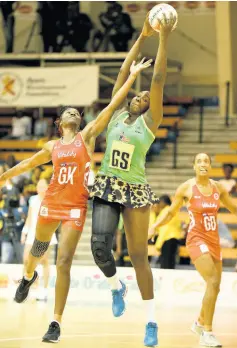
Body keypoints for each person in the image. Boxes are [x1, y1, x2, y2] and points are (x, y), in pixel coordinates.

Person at [0, 58, 151, 343]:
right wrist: (4, 176)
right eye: (67, 111)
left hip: (75, 207)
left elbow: (110, 107)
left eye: (75, 111)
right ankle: (28, 277)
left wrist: (131, 77)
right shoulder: (52, 146)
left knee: (64, 261)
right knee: (37, 249)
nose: (72, 111)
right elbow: (27, 164)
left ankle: (55, 322)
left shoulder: (87, 136)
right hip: (52, 203)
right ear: (59, 123)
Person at [90, 14, 175, 347]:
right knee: (99, 246)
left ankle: (151, 320)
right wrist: (141, 36)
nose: (142, 96)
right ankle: (116, 288)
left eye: (145, 96)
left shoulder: (150, 122)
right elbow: (125, 73)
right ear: (128, 99)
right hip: (108, 183)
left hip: (136, 189)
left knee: (139, 256)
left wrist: (164, 37)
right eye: (137, 95)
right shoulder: (114, 117)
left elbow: (158, 79)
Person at [148, 153, 237, 347]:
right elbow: (171, 212)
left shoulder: (218, 188)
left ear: (210, 166)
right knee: (213, 281)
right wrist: (155, 226)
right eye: (199, 161)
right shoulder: (186, 188)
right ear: (194, 166)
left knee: (215, 286)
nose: (203, 164)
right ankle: (207, 333)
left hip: (214, 240)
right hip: (196, 240)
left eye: (206, 161)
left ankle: (199, 321)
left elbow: (235, 209)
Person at [21, 178, 58, 301]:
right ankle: (25, 289)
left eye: (42, 186)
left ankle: (44, 290)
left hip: (46, 234)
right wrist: (24, 232)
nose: (40, 188)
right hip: (32, 233)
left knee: (44, 261)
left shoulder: (52, 200)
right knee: (26, 260)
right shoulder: (32, 200)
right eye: (38, 186)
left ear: (47, 187)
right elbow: (30, 217)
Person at [153, 195, 183, 269]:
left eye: (160, 202)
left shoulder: (166, 211)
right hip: (174, 238)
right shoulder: (173, 210)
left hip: (167, 239)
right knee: (171, 263)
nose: (159, 205)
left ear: (163, 202)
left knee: (165, 264)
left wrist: (159, 244)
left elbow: (164, 228)